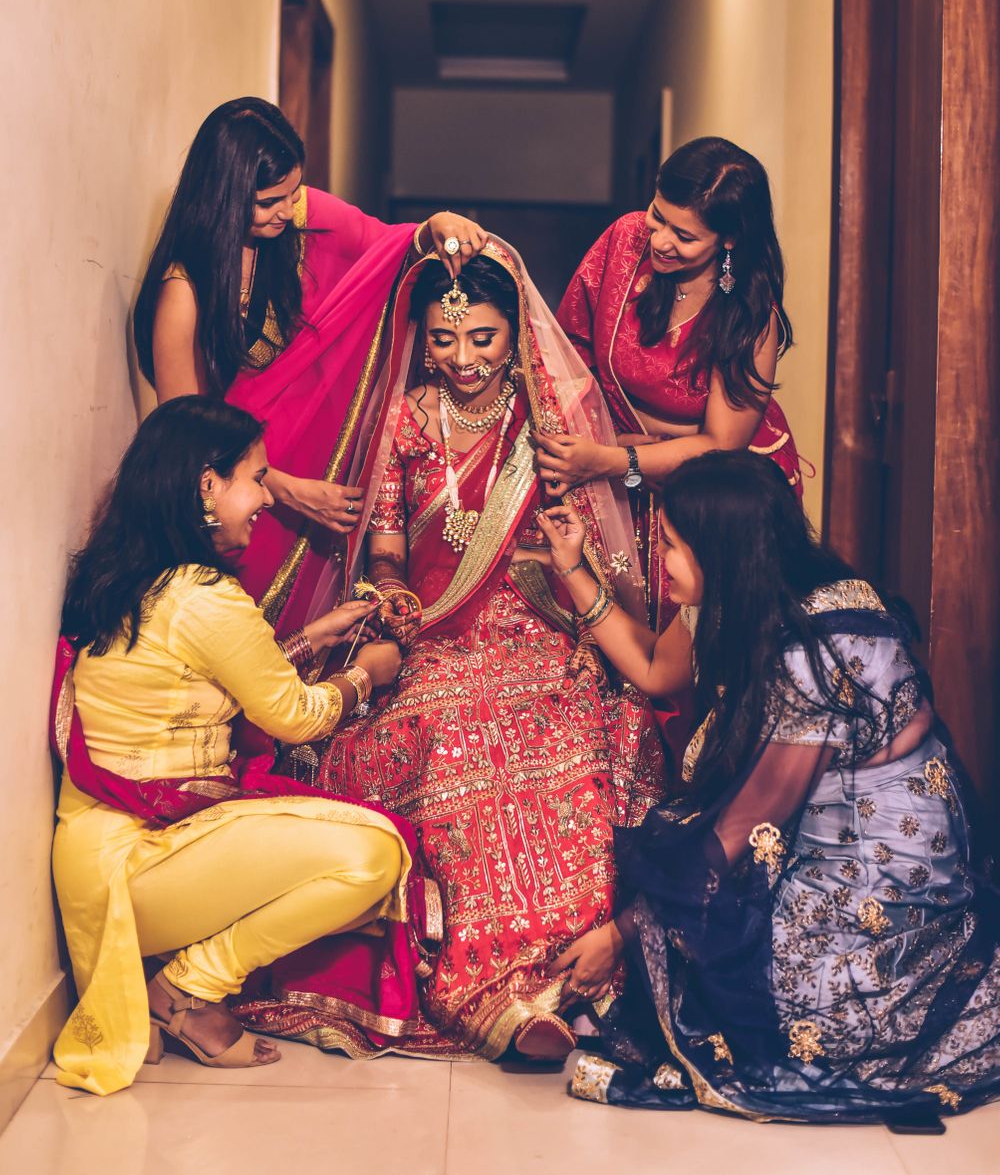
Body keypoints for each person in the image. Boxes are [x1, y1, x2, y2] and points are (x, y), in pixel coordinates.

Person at [266, 243, 667, 1062]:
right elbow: (384, 551)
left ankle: (571, 981)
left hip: (535, 623)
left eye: (484, 338)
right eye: (445, 340)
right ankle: (485, 995)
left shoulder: (543, 420)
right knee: (448, 743)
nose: (464, 359)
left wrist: (565, 575)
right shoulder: (406, 418)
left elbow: (583, 536)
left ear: (514, 334)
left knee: (563, 734)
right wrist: (394, 592)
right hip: (438, 633)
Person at [538, 453, 1000, 1122]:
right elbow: (652, 668)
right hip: (818, 835)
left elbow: (744, 831)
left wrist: (623, 932)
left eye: (671, 546)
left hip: (881, 873)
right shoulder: (750, 598)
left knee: (769, 998)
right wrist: (573, 568)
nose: (661, 563)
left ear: (720, 550)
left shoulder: (814, 647)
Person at [51, 396, 424, 1096]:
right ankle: (189, 990)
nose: (263, 499)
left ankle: (183, 985)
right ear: (206, 485)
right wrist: (366, 675)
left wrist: (312, 638)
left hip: (103, 853)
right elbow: (296, 715)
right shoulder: (204, 597)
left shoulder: (134, 572)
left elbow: (194, 681)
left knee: (350, 837)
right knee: (376, 855)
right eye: (256, 477)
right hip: (138, 868)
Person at [133, 96, 487, 633]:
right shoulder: (184, 294)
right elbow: (186, 439)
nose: (289, 211)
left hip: (307, 459)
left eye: (295, 192)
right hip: (235, 487)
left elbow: (384, 249)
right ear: (225, 197)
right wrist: (286, 487)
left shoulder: (297, 214)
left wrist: (435, 225)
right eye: (270, 201)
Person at [549, 136, 802, 635]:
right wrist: (598, 435)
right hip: (614, 463)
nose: (660, 240)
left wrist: (611, 458)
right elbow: (567, 349)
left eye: (684, 236)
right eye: (657, 216)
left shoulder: (748, 314)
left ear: (728, 240)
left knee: (690, 647)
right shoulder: (623, 240)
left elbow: (719, 446)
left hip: (708, 491)